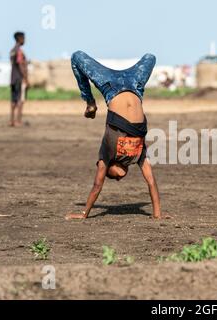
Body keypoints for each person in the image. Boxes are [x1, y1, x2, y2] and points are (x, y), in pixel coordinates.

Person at [65, 51, 167, 220]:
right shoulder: (138, 155)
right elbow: (151, 181)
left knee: (77, 57)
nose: (117, 179)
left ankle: (90, 103)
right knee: (151, 57)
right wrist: (157, 214)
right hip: (135, 87)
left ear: (107, 167)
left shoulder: (106, 155)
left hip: (109, 87)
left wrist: (84, 214)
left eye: (110, 177)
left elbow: (97, 185)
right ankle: (90, 101)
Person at [9, 31, 28, 127]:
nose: (25, 40)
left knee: (13, 100)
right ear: (19, 38)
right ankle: (18, 121)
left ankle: (12, 121)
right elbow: (20, 64)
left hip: (12, 78)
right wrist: (25, 78)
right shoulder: (19, 51)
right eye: (24, 38)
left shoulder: (12, 50)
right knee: (20, 100)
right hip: (19, 78)